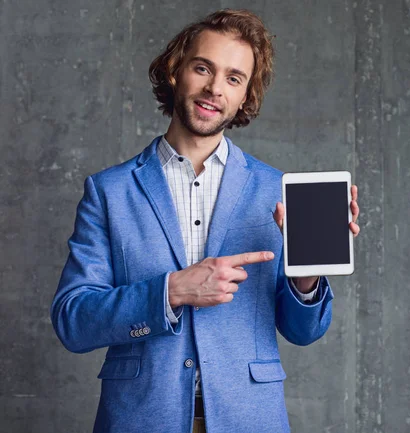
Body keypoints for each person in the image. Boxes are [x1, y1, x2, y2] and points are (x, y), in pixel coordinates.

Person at [51, 8, 360, 433]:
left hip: (250, 419)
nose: (215, 88)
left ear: (245, 95)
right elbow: (73, 320)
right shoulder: (110, 192)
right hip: (140, 419)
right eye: (203, 68)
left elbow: (304, 332)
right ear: (176, 71)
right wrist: (171, 291)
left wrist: (306, 277)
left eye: (234, 78)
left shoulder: (277, 190)